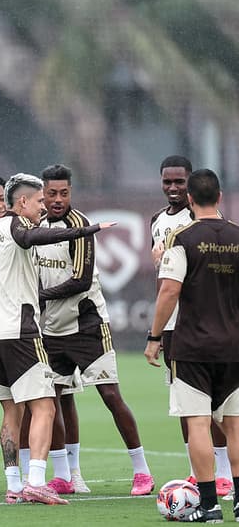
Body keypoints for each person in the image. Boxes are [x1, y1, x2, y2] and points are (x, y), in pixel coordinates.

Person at [0, 173, 113, 505]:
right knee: (45, 406)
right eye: (40, 201)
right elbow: (31, 238)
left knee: (11, 413)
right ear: (23, 202)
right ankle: (35, 480)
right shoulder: (18, 227)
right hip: (20, 334)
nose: (44, 206)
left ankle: (14, 486)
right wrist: (88, 230)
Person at [36, 164, 153, 496]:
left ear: (70, 192)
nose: (58, 199)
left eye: (64, 193)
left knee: (111, 395)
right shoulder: (38, 227)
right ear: (42, 193)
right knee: (51, 401)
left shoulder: (81, 226)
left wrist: (38, 296)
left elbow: (81, 281)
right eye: (52, 193)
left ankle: (142, 472)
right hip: (51, 330)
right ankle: (64, 475)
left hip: (88, 326)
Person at [144, 168, 239, 523]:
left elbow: (169, 290)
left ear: (190, 199)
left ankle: (210, 505)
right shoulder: (236, 235)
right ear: (219, 196)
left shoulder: (181, 239)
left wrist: (154, 338)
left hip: (193, 346)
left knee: (198, 424)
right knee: (234, 423)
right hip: (233, 345)